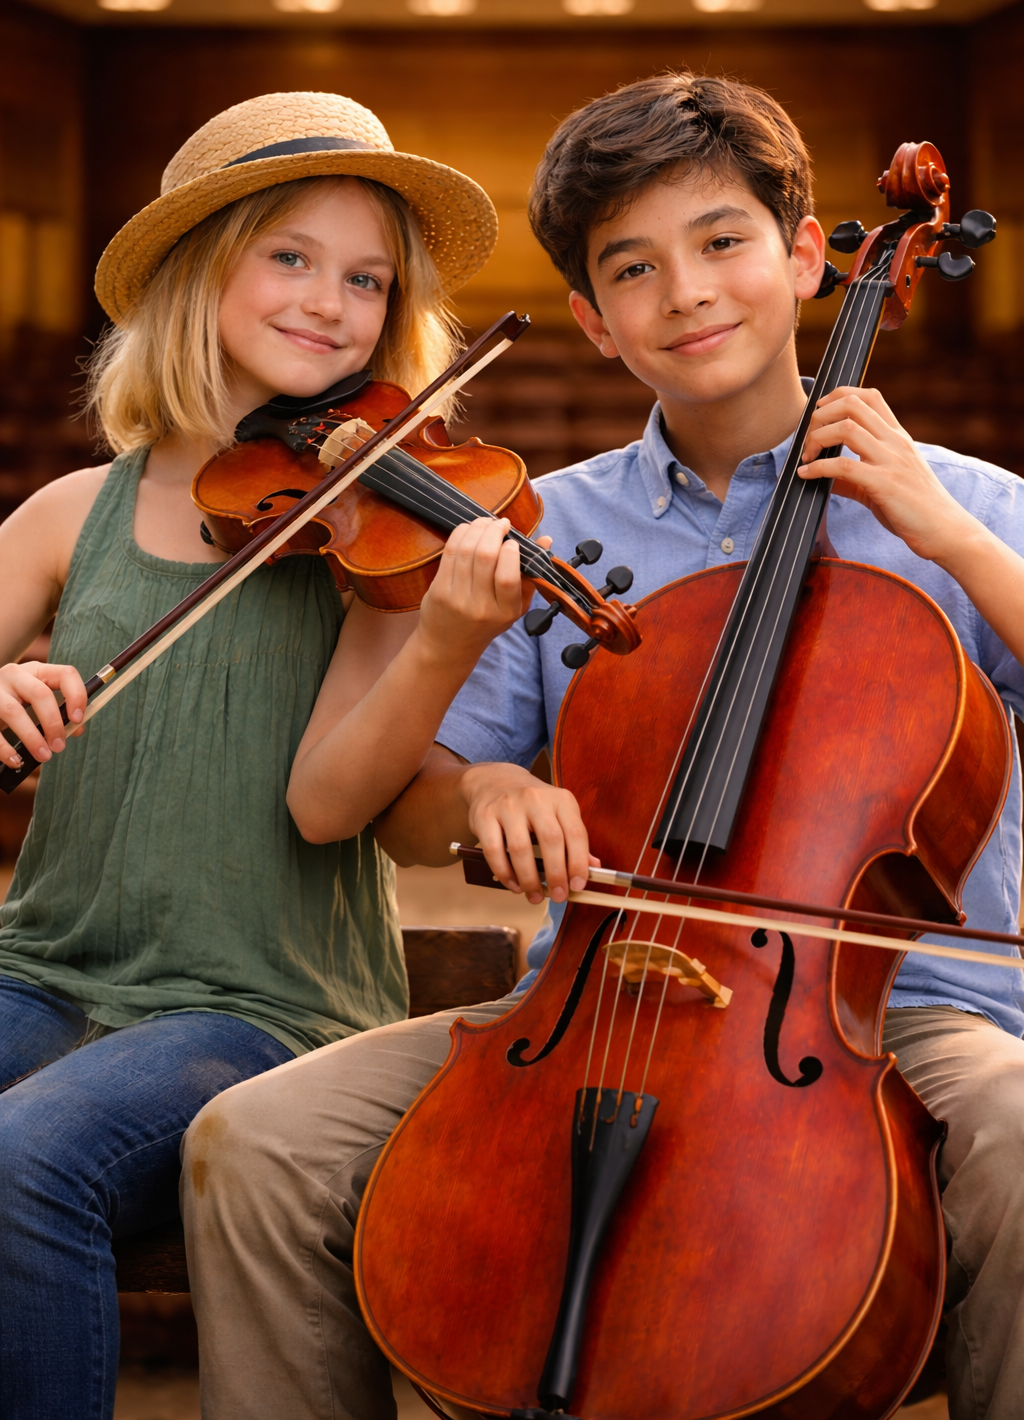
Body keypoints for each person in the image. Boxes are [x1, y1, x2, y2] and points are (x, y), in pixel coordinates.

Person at [182, 72, 1024, 1420]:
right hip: (583, 1002)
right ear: (592, 319)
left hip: (905, 1019)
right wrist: (495, 789)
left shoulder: (971, 510)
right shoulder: (545, 530)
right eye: (633, 269)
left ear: (808, 257)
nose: (686, 292)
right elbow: (412, 810)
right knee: (258, 1143)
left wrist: (953, 542)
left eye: (723, 243)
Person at [0, 89, 533, 1420]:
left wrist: (441, 641)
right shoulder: (79, 509)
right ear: (199, 274)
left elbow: (322, 806)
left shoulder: (372, 540)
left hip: (254, 1009)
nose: (329, 301)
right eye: (289, 257)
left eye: (366, 279)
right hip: (49, 965)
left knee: (24, 1163)